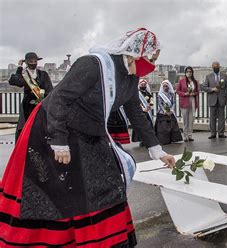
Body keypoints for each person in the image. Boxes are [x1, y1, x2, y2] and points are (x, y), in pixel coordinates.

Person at [0, 28, 175, 247]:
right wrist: (59, 141)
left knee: (106, 183)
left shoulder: (131, 78)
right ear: (134, 52)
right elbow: (59, 100)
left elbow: (136, 114)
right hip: (54, 130)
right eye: (150, 59)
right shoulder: (93, 65)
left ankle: (107, 239)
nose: (151, 65)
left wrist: (158, 150)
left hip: (91, 132)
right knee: (59, 190)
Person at [8, 52, 53, 140]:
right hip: (27, 106)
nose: (33, 63)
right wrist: (19, 68)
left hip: (41, 104)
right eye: (30, 61)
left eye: (35, 61)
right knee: (27, 127)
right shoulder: (23, 74)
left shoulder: (43, 74)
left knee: (40, 127)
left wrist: (45, 99)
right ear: (26, 62)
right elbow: (14, 81)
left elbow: (49, 89)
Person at [201, 61, 227, 139]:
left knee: (222, 117)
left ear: (219, 67)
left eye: (217, 67)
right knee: (212, 118)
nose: (216, 68)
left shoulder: (225, 76)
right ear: (212, 67)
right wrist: (212, 89)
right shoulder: (208, 76)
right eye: (214, 67)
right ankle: (213, 133)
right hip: (212, 99)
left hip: (221, 99)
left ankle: (221, 133)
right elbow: (204, 87)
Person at [155, 80, 183, 144]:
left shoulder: (172, 94)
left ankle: (173, 139)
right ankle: (164, 140)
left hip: (171, 112)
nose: (165, 87)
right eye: (164, 86)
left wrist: (171, 110)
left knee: (173, 127)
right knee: (163, 128)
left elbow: (174, 103)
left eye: (166, 86)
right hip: (162, 113)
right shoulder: (160, 95)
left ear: (169, 86)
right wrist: (165, 111)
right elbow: (160, 104)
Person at [176, 66, 199, 142]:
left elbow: (198, 92)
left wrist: (194, 93)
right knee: (185, 120)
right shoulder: (181, 81)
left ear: (192, 73)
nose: (189, 73)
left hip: (192, 102)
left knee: (191, 120)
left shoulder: (195, 82)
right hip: (184, 102)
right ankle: (185, 136)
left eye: (190, 72)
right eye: (187, 71)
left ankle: (190, 135)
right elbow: (177, 91)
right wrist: (185, 94)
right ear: (185, 73)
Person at [132, 79, 154, 145]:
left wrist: (150, 106)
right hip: (140, 112)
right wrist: (143, 108)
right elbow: (136, 102)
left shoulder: (148, 93)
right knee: (141, 126)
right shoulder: (137, 93)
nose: (143, 85)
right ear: (139, 85)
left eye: (144, 85)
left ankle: (148, 139)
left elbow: (151, 101)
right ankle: (141, 140)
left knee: (148, 126)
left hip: (147, 112)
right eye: (142, 84)